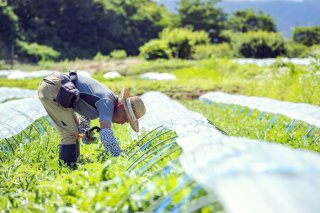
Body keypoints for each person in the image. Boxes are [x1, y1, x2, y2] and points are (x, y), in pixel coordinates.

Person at [38, 71, 146, 168]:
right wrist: (119, 155)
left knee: (74, 132)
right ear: (121, 107)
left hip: (57, 88)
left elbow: (83, 121)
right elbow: (106, 134)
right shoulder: (107, 102)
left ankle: (72, 166)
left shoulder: (106, 102)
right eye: (126, 119)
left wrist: (85, 133)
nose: (123, 123)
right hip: (54, 88)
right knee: (69, 134)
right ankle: (66, 171)